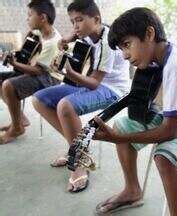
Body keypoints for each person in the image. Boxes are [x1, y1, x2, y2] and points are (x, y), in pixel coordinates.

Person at [92, 7, 177, 216]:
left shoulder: (175, 67)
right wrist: (121, 134)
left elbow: (169, 131)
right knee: (123, 125)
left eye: (127, 45)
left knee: (165, 156)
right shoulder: (167, 47)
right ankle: (132, 190)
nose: (124, 56)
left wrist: (117, 139)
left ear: (149, 34)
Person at [32, 0, 130, 193]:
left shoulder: (107, 41)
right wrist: (66, 39)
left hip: (113, 90)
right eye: (72, 21)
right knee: (39, 99)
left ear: (96, 19)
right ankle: (78, 148)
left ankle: (79, 162)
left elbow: (94, 82)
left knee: (65, 106)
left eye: (79, 20)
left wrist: (68, 73)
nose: (75, 26)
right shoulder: (88, 33)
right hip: (91, 83)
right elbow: (76, 38)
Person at [0, 0, 61, 144]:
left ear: (43, 18)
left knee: (8, 85)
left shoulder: (53, 42)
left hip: (50, 77)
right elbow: (27, 52)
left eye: (30, 15)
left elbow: (38, 70)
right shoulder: (38, 32)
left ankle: (17, 128)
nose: (27, 19)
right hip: (39, 71)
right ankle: (20, 120)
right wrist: (15, 55)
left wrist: (14, 63)